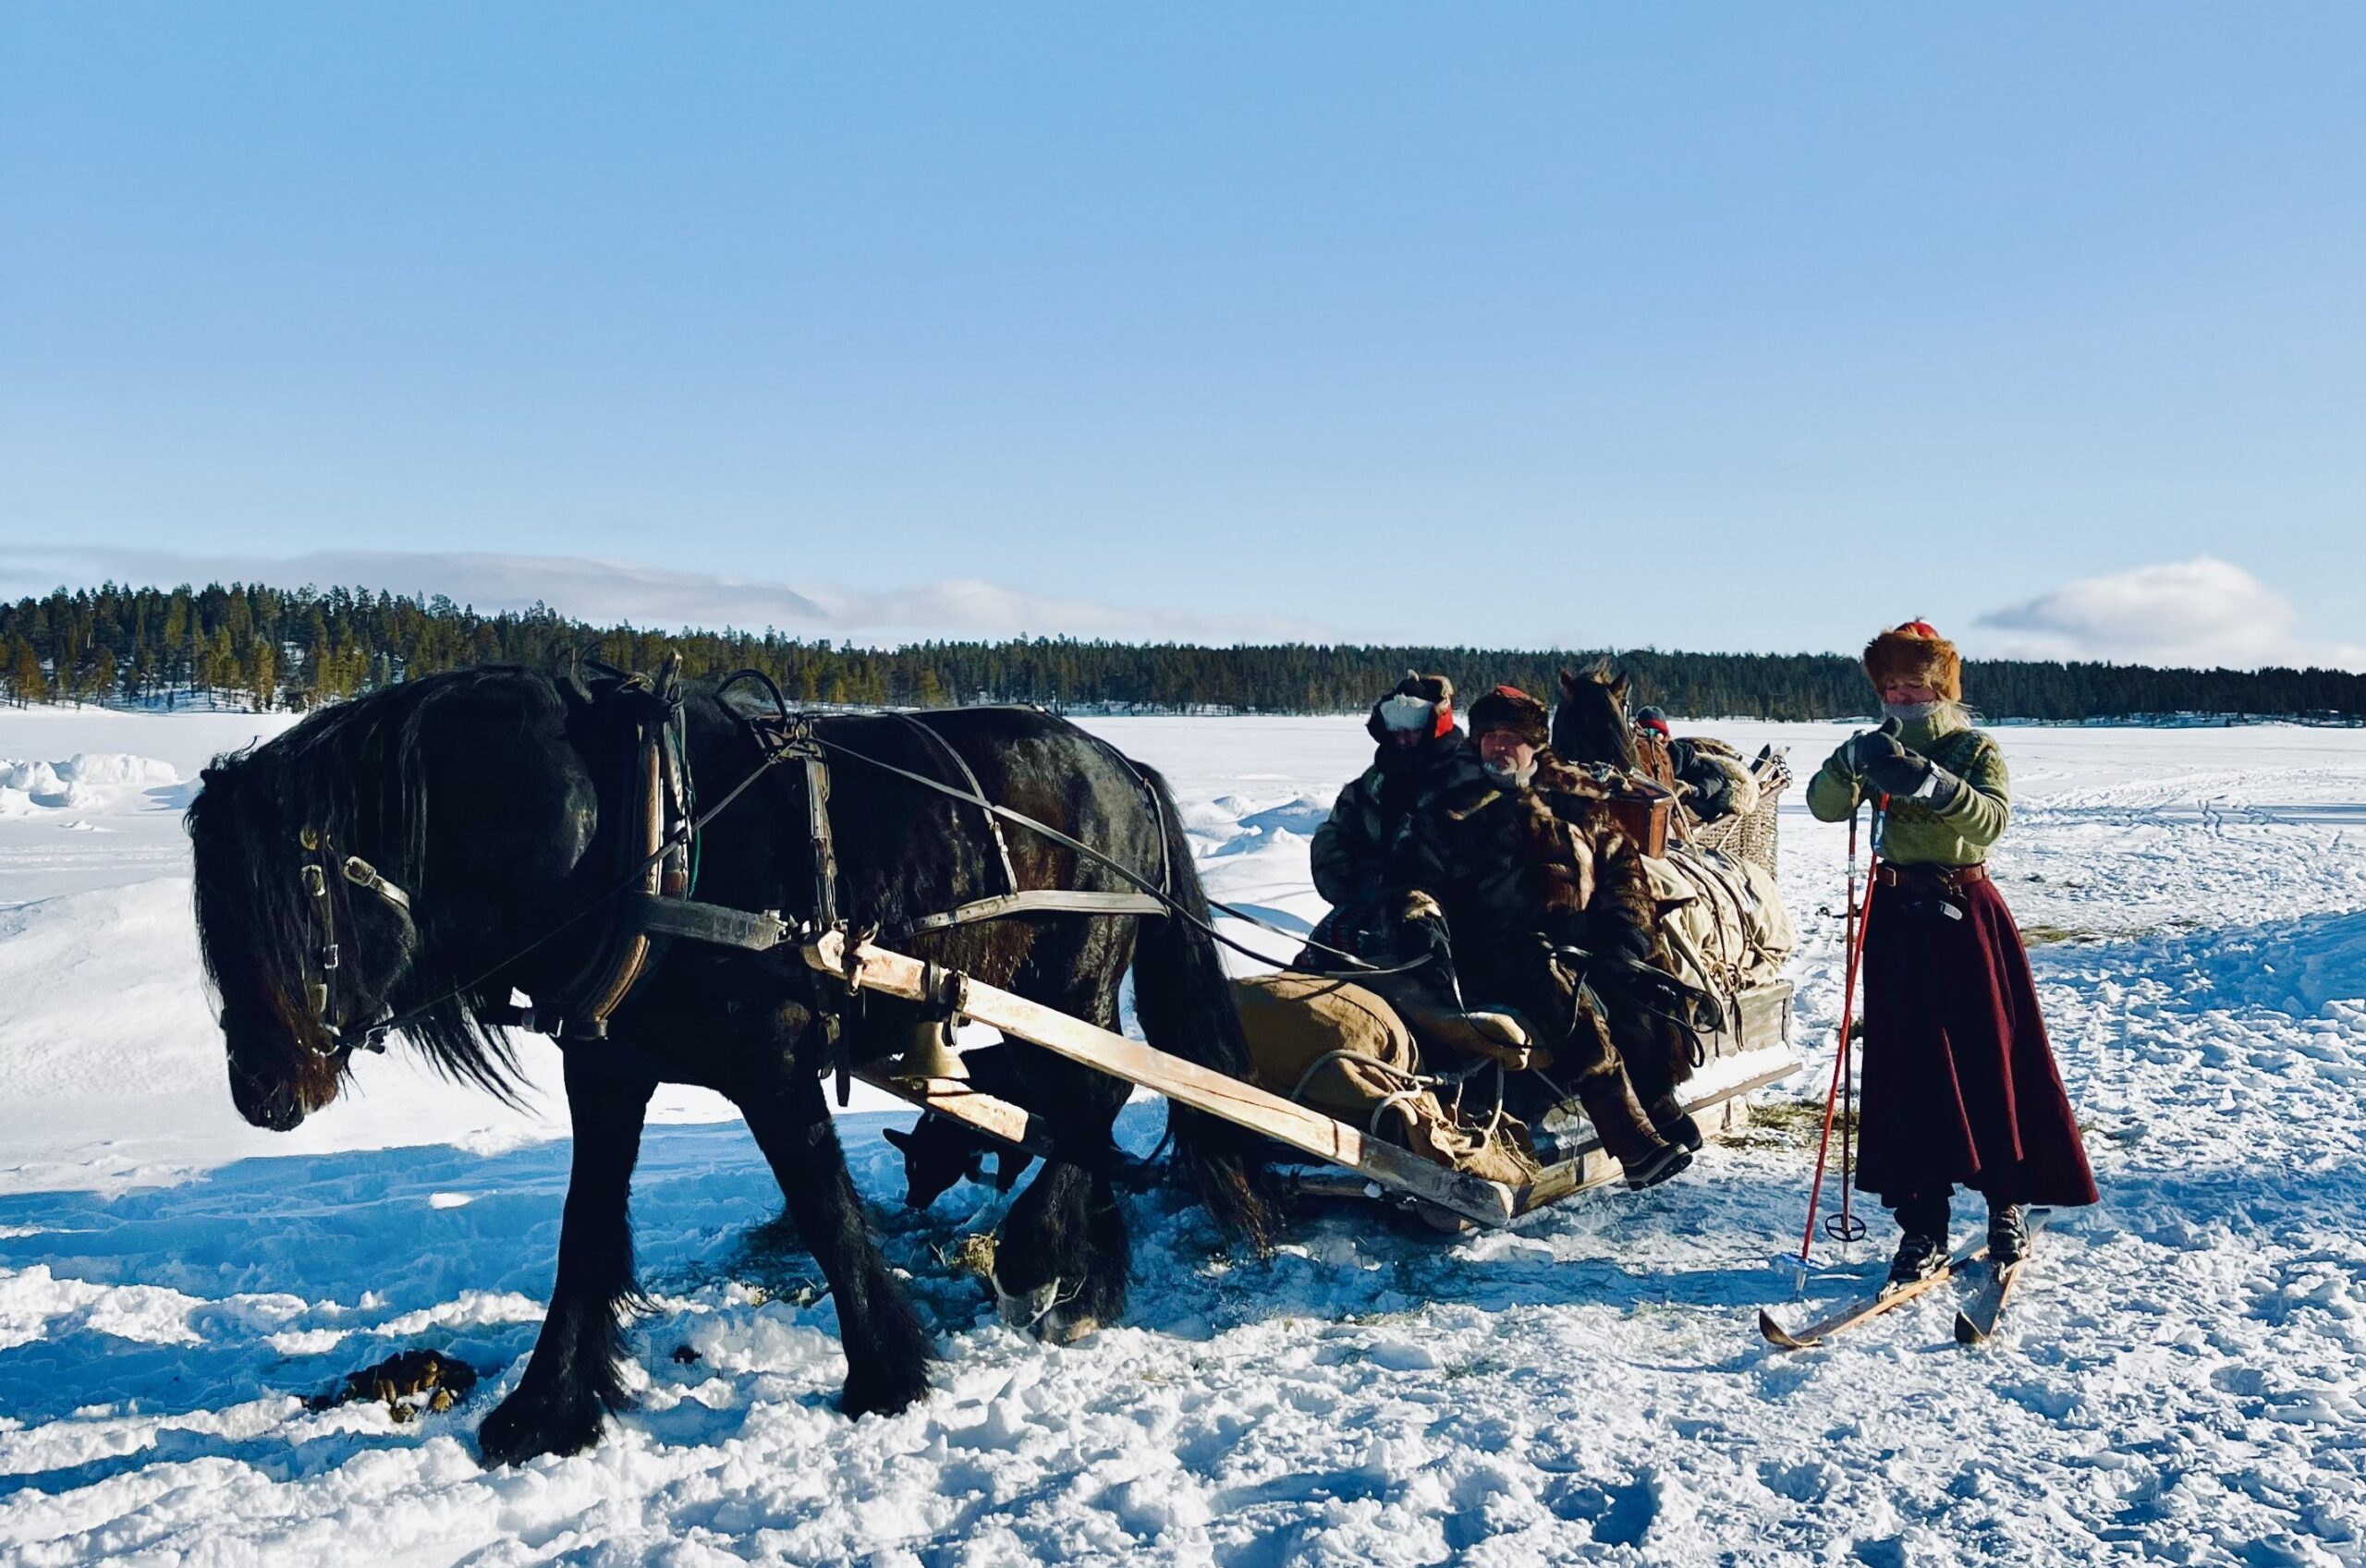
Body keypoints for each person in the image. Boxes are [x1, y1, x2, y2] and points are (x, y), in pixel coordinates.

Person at [1807, 621, 2098, 1283]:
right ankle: (1922, 1223)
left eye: (1912, 682)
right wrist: (1847, 764)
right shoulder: (1872, 745)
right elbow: (1824, 807)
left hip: (1966, 917)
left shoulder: (1975, 749)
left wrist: (1929, 782)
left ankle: (2006, 1202)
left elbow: (1990, 820)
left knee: (1989, 1058)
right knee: (1906, 1069)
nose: (1900, 695)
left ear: (1940, 684)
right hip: (1896, 919)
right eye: (1888, 684)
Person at [1396, 684, 1691, 1189]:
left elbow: (1624, 874)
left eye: (1511, 737)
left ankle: (1658, 1099)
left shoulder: (1577, 801)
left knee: (1638, 982)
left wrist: (1626, 937)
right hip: (1491, 945)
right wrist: (1422, 920)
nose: (1498, 748)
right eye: (1489, 737)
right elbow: (1413, 879)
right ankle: (1628, 1136)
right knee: (1550, 983)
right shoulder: (1449, 806)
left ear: (1536, 744)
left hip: (1581, 936)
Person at [1300, 674, 1485, 967]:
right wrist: (1365, 885)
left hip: (1455, 915)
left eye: (1412, 728)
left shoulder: (1470, 776)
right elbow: (1335, 838)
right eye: (1395, 728)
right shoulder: (1375, 781)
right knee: (1317, 958)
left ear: (1431, 724)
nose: (1402, 738)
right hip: (1376, 904)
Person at [1636, 706, 1759, 824]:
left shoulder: (1682, 755)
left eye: (1655, 731)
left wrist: (1692, 790)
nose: (1650, 736)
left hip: (1687, 810)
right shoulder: (1633, 757)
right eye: (1645, 731)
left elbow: (1716, 778)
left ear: (1664, 734)